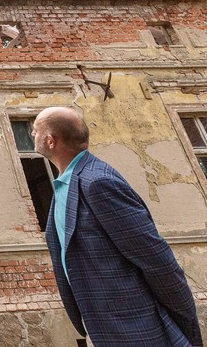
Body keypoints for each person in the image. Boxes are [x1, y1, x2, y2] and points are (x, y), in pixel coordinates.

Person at [33, 107, 203, 347]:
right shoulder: (66, 184)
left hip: (135, 328)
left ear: (50, 140)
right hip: (100, 325)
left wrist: (186, 326)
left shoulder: (98, 182)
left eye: (35, 130)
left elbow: (156, 259)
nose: (32, 135)